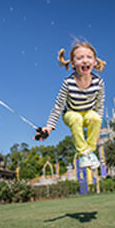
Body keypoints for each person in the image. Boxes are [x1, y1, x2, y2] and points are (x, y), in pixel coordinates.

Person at [35, 40, 106, 169]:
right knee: (76, 118)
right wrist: (49, 128)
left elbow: (99, 107)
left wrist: (97, 130)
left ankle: (90, 152)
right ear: (73, 64)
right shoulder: (68, 83)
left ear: (95, 62)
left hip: (89, 113)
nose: (85, 60)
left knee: (95, 117)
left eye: (89, 57)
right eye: (80, 58)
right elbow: (58, 107)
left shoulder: (99, 82)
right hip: (71, 113)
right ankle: (83, 153)